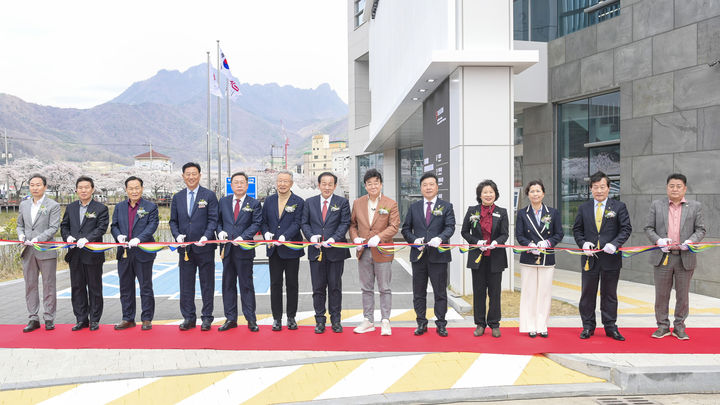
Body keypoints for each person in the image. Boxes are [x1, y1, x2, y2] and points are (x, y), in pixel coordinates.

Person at [644, 173, 705, 340]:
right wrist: (659, 241)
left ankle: (679, 326)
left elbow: (700, 229)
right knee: (661, 294)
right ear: (667, 188)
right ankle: (662, 326)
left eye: (679, 186)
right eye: (672, 186)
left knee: (682, 295)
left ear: (685, 188)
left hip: (684, 257)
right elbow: (649, 228)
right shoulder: (657, 205)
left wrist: (691, 241)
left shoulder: (695, 206)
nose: (675, 189)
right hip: (663, 256)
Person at [573, 171, 632, 341]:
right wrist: (583, 244)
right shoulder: (583, 208)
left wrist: (614, 244)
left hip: (611, 258)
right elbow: (577, 230)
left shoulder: (619, 207)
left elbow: (626, 229)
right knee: (587, 293)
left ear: (608, 188)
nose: (599, 190)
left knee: (609, 294)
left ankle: (610, 326)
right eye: (595, 187)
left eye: (602, 187)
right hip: (589, 259)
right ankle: (588, 326)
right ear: (590, 188)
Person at [401, 172, 455, 337]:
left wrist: (441, 238)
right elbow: (405, 229)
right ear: (421, 188)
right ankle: (421, 323)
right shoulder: (413, 207)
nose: (428, 187)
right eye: (425, 185)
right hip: (418, 256)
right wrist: (414, 240)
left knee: (440, 292)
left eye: (431, 184)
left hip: (438, 256)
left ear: (437, 187)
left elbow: (450, 227)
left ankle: (441, 324)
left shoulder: (446, 206)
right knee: (419, 292)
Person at [349, 169, 400, 336]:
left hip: (383, 250)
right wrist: (355, 238)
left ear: (381, 184)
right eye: (369, 183)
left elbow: (394, 226)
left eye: (375, 183)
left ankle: (385, 320)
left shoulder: (390, 203)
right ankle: (368, 320)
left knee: (384, 287)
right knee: (366, 288)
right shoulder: (357, 203)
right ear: (365, 186)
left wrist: (379, 237)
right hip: (363, 251)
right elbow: (353, 225)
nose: (373, 186)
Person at [169, 162, 219, 331]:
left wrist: (206, 235)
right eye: (188, 174)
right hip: (185, 250)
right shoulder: (177, 197)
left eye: (194, 173)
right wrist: (177, 236)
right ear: (183, 176)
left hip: (205, 248)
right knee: (186, 285)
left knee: (207, 284)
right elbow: (173, 221)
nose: (191, 177)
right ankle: (189, 317)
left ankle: (206, 318)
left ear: (200, 175)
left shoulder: (209, 195)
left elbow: (213, 220)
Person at [301, 171, 351, 334]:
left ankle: (336, 320)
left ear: (335, 186)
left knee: (335, 287)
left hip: (335, 252)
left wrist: (334, 239)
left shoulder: (342, 202)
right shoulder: (309, 202)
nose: (327, 187)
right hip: (316, 251)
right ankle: (320, 320)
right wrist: (311, 237)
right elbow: (304, 223)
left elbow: (345, 223)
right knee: (318, 287)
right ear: (319, 185)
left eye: (330, 184)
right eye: (324, 183)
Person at [515, 180, 563, 338]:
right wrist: (529, 245)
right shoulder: (522, 213)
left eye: (538, 191)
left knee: (544, 292)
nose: (535, 194)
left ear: (543, 193)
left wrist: (548, 243)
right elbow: (519, 235)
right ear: (527, 194)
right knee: (529, 292)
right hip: (529, 256)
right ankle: (530, 325)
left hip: (547, 257)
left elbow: (559, 233)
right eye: (532, 191)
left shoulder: (553, 212)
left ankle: (542, 325)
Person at [460, 179, 508, 338]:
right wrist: (476, 242)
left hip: (495, 257)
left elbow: (505, 234)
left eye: (491, 192)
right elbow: (464, 232)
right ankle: (480, 324)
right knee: (479, 292)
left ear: (495, 194)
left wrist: (496, 242)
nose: (488, 195)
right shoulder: (472, 210)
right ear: (480, 195)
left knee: (495, 293)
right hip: (477, 257)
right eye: (485, 192)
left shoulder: (502, 212)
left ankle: (494, 324)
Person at [60, 176, 109, 331]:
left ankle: (94, 319)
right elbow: (64, 225)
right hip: (75, 254)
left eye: (87, 187)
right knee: (77, 287)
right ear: (76, 189)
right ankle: (81, 319)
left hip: (92, 254)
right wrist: (66, 236)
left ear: (92, 189)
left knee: (95, 287)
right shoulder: (71, 207)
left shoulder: (101, 208)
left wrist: (88, 238)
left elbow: (101, 228)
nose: (83, 190)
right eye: (80, 187)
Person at [110, 176, 159, 331]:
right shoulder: (119, 207)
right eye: (131, 188)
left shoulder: (150, 207)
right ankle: (128, 318)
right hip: (124, 253)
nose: (134, 191)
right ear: (126, 190)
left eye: (137, 187)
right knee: (125, 286)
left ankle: (146, 318)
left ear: (142, 188)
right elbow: (114, 225)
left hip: (143, 252)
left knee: (145, 286)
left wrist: (139, 239)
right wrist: (118, 236)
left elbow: (152, 225)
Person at [216, 172, 262, 332]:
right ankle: (230, 318)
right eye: (236, 182)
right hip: (227, 250)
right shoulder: (223, 202)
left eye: (242, 182)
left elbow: (256, 223)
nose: (239, 185)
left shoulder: (254, 203)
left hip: (244, 251)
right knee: (228, 284)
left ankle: (251, 319)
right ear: (232, 185)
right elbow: (218, 221)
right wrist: (220, 232)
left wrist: (244, 237)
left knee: (246, 285)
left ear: (247, 185)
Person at [261, 170, 305, 331]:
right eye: (280, 181)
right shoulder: (269, 200)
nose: (282, 184)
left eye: (286, 181)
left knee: (292, 284)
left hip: (291, 249)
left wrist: (285, 236)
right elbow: (263, 221)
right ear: (276, 183)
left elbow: (298, 223)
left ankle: (291, 317)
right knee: (275, 284)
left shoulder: (298, 201)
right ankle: (277, 318)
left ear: (291, 183)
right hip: (274, 250)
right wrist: (266, 233)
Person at [16, 174, 61, 332]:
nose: (35, 188)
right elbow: (19, 225)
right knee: (30, 284)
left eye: (38, 185)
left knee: (49, 284)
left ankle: (49, 317)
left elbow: (53, 228)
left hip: (45, 249)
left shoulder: (53, 205)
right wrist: (21, 235)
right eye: (32, 185)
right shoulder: (24, 205)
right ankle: (33, 318)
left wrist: (37, 239)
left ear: (45, 187)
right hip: (28, 250)